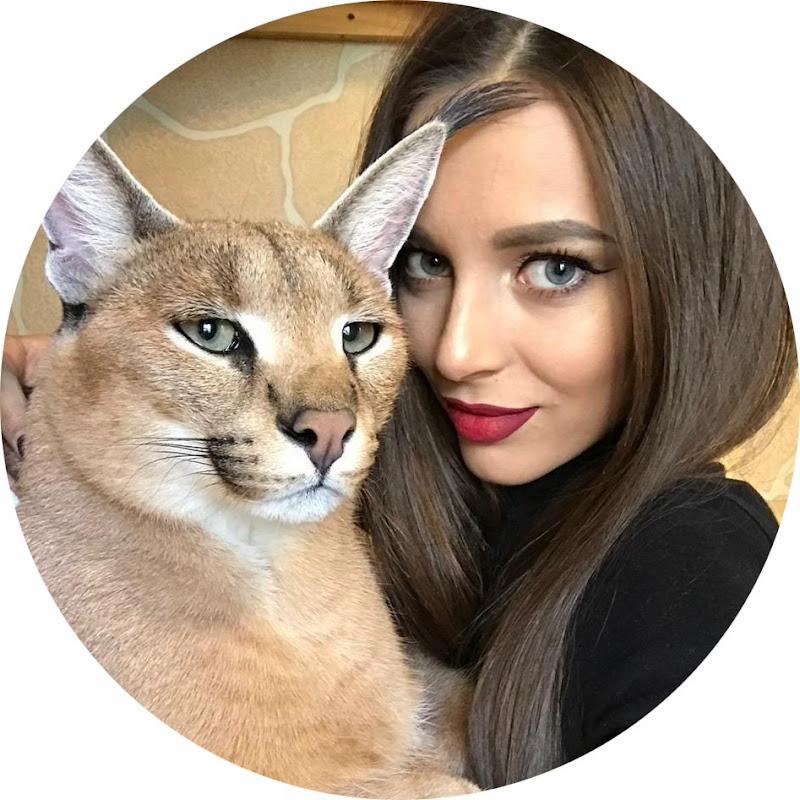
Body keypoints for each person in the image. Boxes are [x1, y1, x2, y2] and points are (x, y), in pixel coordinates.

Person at [2, 3, 795, 790]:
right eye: (423, 263)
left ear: (684, 285)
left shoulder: (696, 572)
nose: (455, 351)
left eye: (556, 268)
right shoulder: (409, 477)